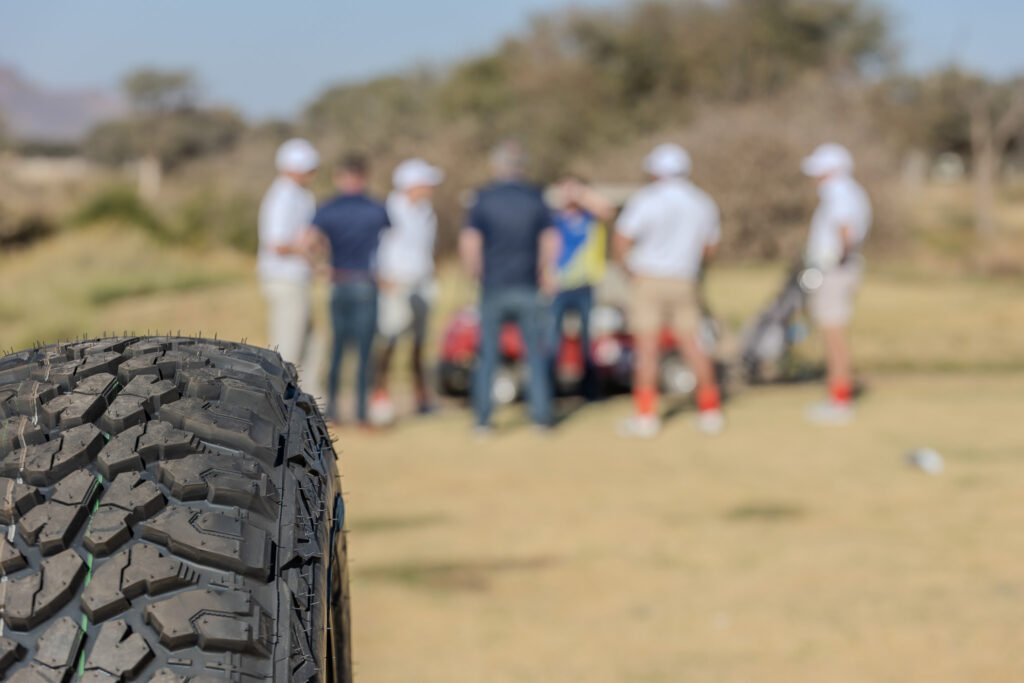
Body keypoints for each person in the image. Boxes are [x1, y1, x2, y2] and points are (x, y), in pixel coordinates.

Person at [613, 143, 724, 438]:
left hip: (649, 279)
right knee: (694, 345)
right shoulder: (702, 201)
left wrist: (629, 271)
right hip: (685, 279)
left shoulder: (646, 199)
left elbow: (621, 240)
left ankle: (646, 417)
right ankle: (710, 411)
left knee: (647, 350)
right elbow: (710, 247)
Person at [460, 140, 559, 433]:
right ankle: (541, 419)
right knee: (535, 354)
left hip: (493, 287)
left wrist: (475, 272)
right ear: (522, 167)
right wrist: (543, 271)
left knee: (487, 355)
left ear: (497, 166)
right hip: (527, 286)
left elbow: (470, 242)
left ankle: (483, 421)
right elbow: (550, 240)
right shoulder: (536, 197)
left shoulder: (483, 198)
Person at [312, 153, 391, 426]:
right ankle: (361, 414)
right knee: (365, 352)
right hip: (366, 283)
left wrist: (319, 266)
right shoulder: (377, 209)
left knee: (338, 350)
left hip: (339, 282)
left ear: (340, 177)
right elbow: (390, 244)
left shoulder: (328, 209)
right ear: (364, 177)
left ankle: (333, 411)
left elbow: (309, 240)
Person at [800, 143, 872, 424]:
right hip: (838, 270)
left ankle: (840, 400)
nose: (814, 177)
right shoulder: (848, 191)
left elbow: (845, 230)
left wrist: (836, 260)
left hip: (835, 272)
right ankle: (838, 396)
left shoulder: (839, 191)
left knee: (833, 334)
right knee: (832, 332)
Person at [372, 158, 445, 418]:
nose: (430, 188)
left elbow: (427, 247)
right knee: (389, 340)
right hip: (395, 281)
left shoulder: (427, 211)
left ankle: (421, 397)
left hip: (422, 281)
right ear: (411, 185)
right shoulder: (389, 210)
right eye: (426, 183)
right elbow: (378, 245)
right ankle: (380, 394)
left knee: (419, 342)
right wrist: (381, 277)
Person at [257, 138, 324, 399]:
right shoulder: (283, 196)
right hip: (285, 279)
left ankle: (307, 406)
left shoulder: (299, 195)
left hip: (297, 279)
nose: (312, 174)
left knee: (312, 345)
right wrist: (309, 251)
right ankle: (279, 407)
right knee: (288, 350)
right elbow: (277, 244)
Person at [548, 176, 614, 399]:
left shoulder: (591, 218)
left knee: (588, 339)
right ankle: (551, 388)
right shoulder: (554, 219)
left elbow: (607, 210)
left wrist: (582, 194)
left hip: (586, 286)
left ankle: (590, 390)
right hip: (558, 287)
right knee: (552, 339)